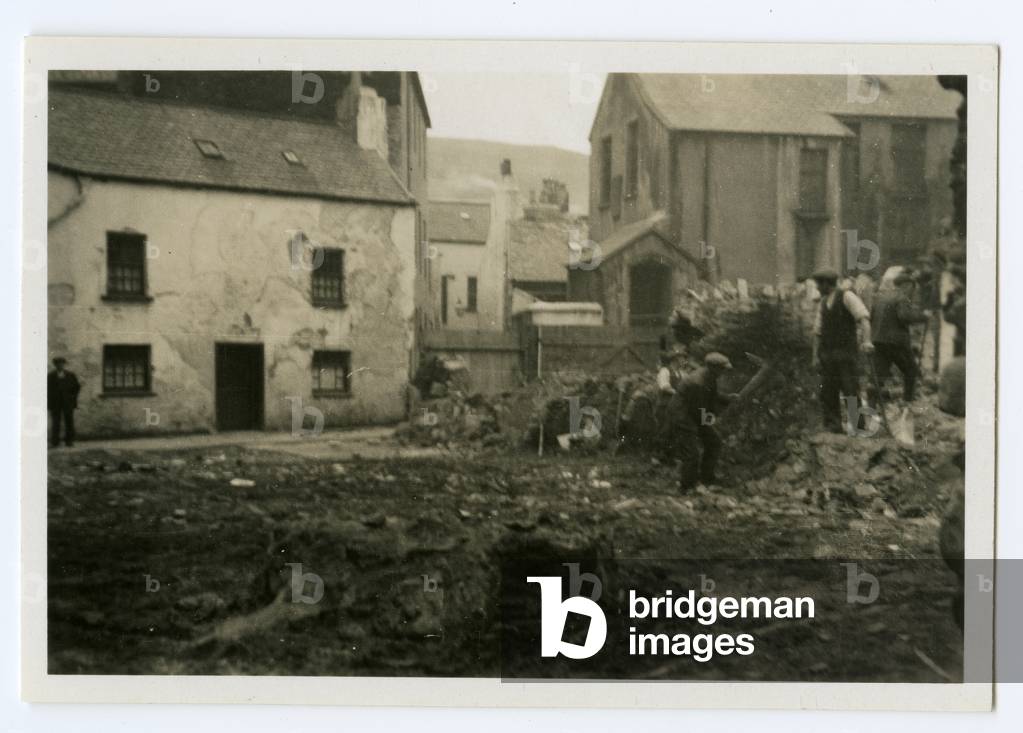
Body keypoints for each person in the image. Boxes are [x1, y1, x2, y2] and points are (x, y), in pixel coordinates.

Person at [810, 269, 874, 434]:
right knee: (828, 392)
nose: (817, 288)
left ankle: (858, 427)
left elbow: (864, 318)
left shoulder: (847, 296)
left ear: (826, 283)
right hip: (828, 356)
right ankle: (833, 426)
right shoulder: (823, 303)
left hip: (846, 355)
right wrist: (815, 356)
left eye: (819, 285)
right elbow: (817, 332)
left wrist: (866, 341)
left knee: (850, 390)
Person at [669, 352, 738, 493]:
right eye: (723, 369)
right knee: (691, 453)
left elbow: (712, 394)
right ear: (714, 367)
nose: (724, 372)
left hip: (694, 413)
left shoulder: (710, 376)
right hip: (682, 416)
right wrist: (711, 421)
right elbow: (698, 410)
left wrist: (727, 398)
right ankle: (686, 487)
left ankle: (707, 478)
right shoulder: (698, 382)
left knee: (714, 443)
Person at [869, 271, 931, 403]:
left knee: (878, 376)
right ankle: (907, 403)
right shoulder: (902, 298)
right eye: (912, 289)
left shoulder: (880, 297)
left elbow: (871, 317)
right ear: (907, 285)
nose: (912, 293)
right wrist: (924, 317)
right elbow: (904, 317)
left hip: (878, 340)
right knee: (911, 371)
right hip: (896, 342)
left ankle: (871, 406)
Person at [47, 356, 81, 448]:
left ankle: (69, 441)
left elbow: (76, 387)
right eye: (58, 364)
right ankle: (55, 441)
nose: (60, 366)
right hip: (55, 403)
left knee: (69, 422)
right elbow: (47, 390)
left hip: (68, 403)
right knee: (56, 422)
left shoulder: (70, 375)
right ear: (55, 365)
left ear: (64, 364)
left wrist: (72, 398)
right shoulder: (50, 376)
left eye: (62, 363)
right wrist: (50, 402)